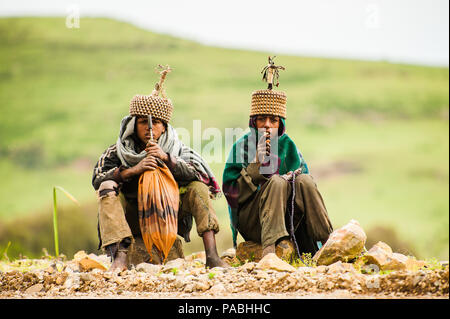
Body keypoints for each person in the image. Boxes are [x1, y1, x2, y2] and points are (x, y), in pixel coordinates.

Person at [92, 65, 228, 271]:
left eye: (156, 122)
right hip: (133, 215)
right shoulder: (117, 151)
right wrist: (133, 170)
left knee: (198, 188)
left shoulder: (178, 150)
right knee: (107, 186)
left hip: (169, 213)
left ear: (164, 126)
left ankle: (212, 256)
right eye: (142, 122)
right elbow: (97, 178)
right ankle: (120, 257)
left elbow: (198, 174)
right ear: (132, 125)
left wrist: (166, 158)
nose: (149, 127)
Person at [222, 57, 334, 259]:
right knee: (275, 181)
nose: (267, 125)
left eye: (273, 120)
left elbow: (303, 188)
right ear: (253, 122)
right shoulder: (241, 147)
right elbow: (231, 194)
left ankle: (329, 243)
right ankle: (269, 252)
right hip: (254, 221)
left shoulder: (289, 146)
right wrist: (255, 166)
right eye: (261, 119)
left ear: (280, 125)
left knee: (305, 180)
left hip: (288, 218)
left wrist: (291, 178)